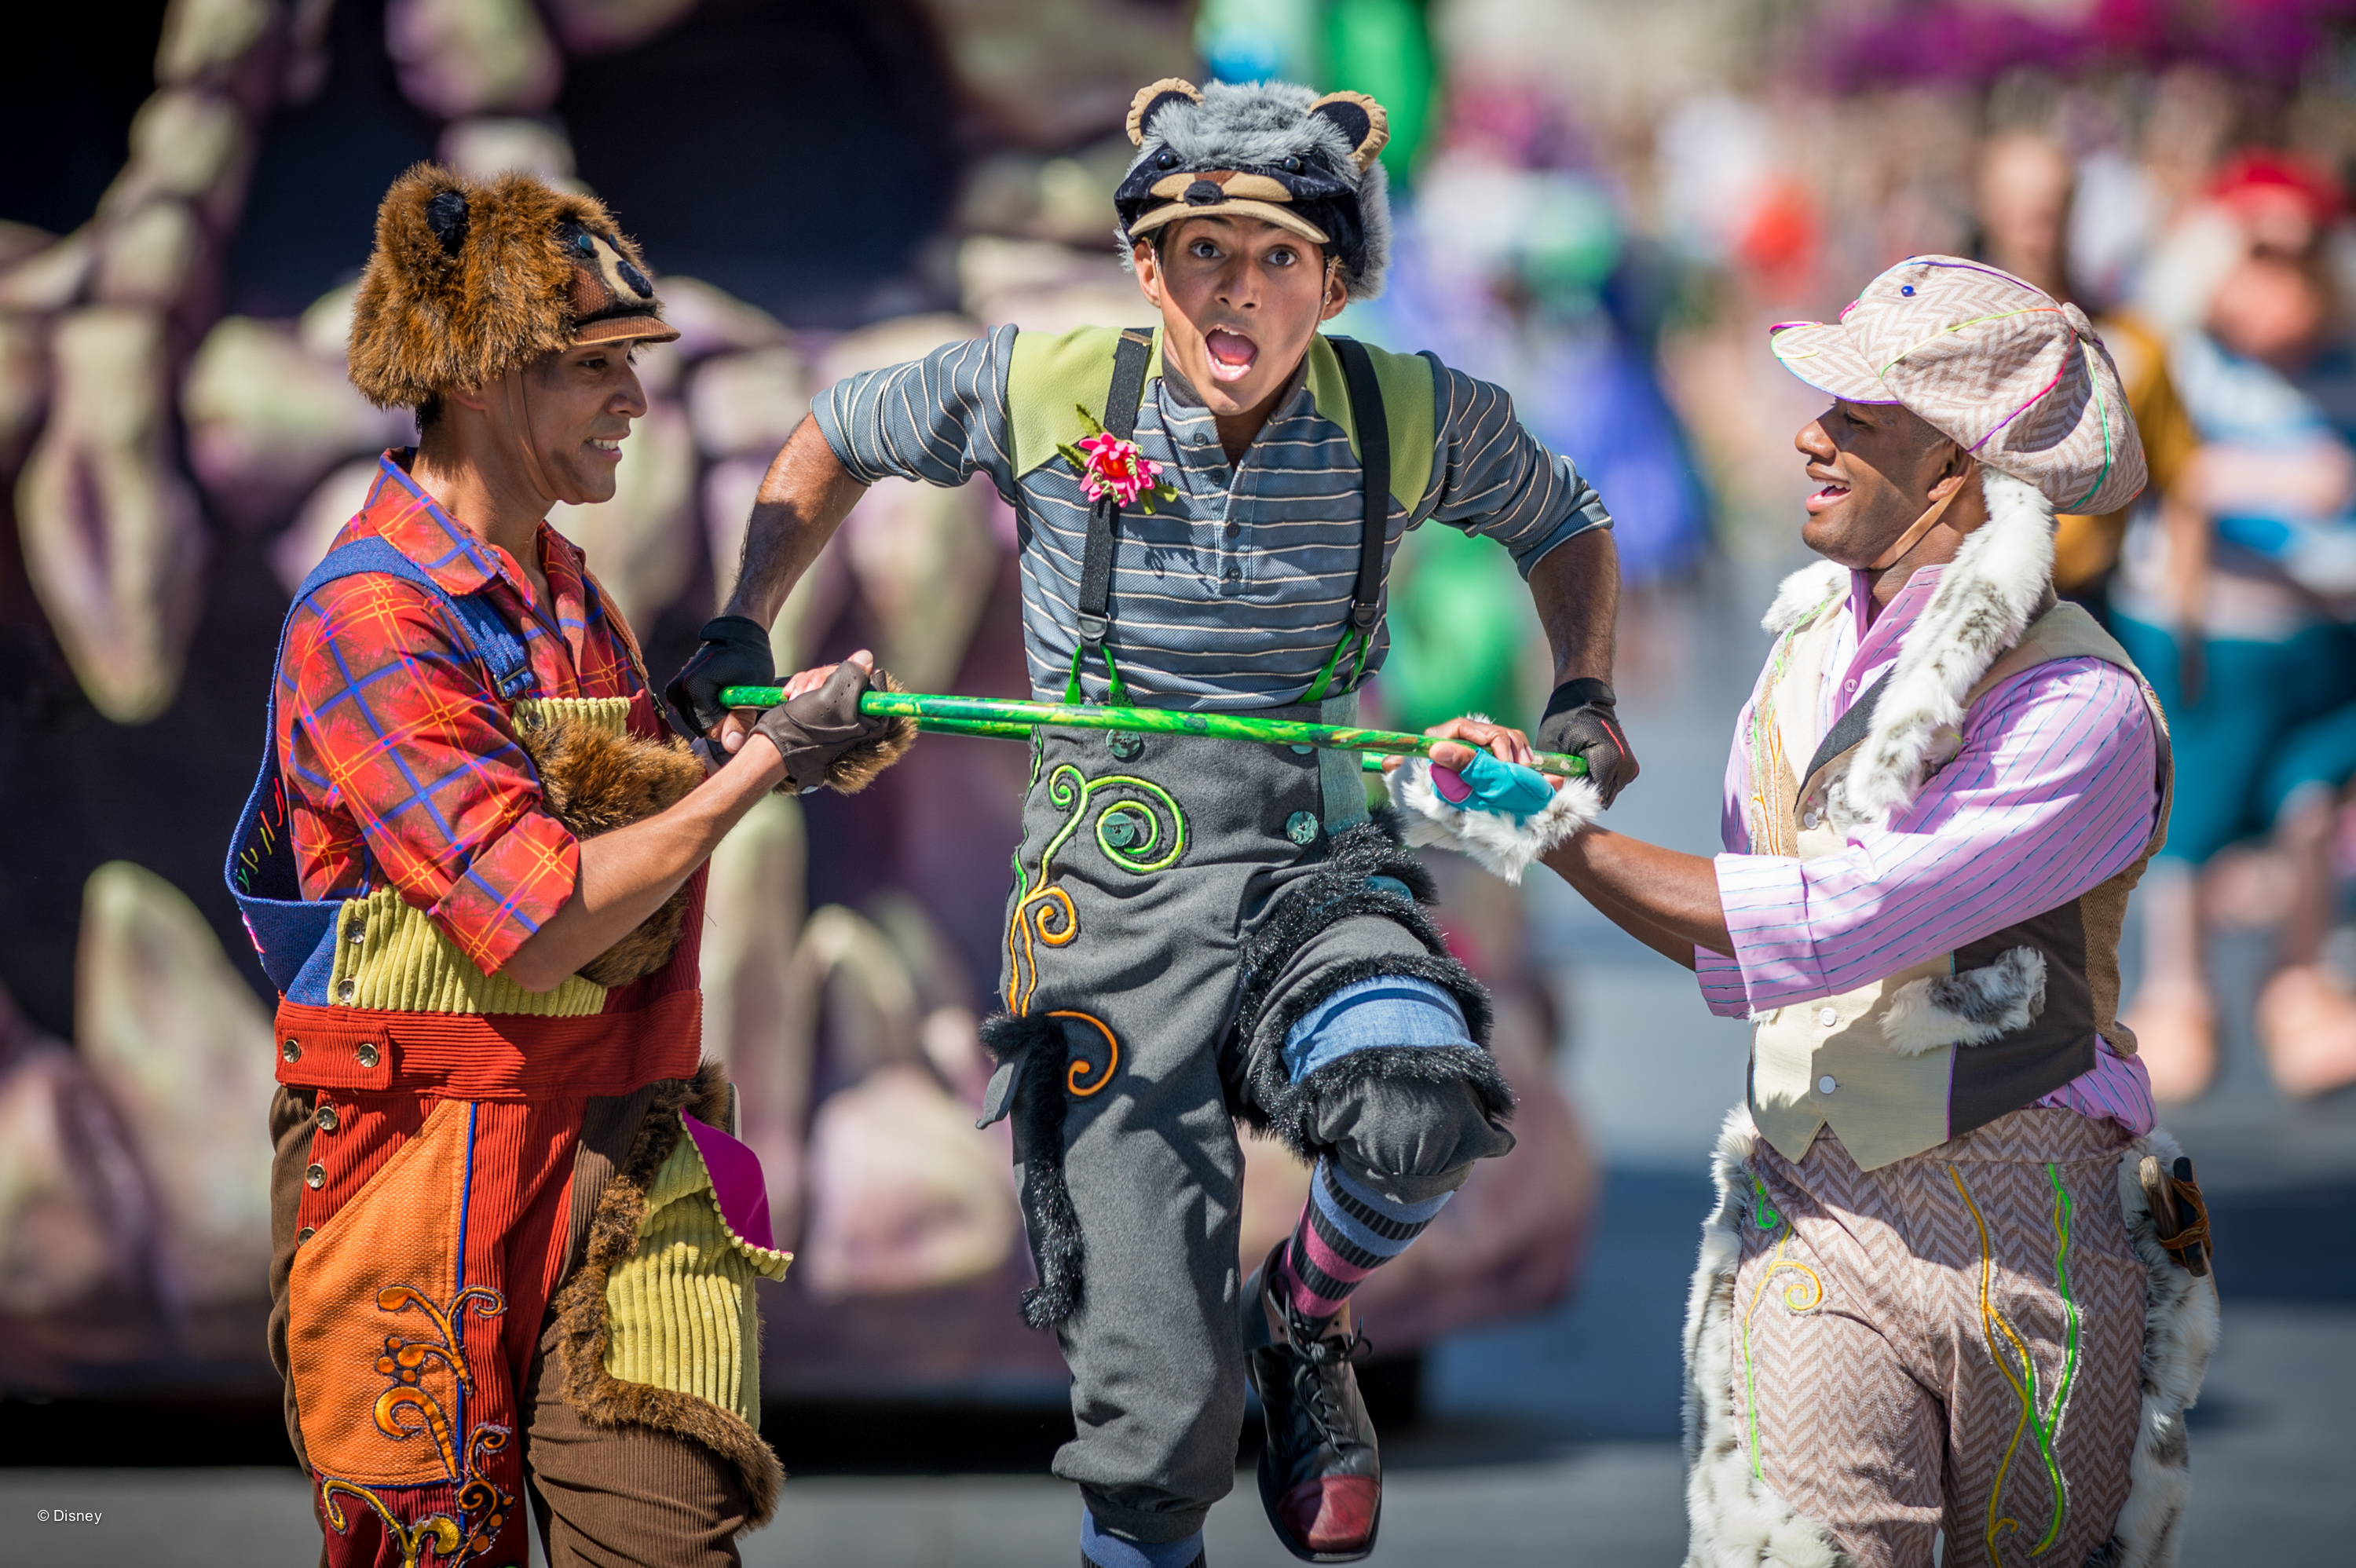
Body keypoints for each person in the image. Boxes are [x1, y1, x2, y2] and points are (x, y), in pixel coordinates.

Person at [665, 78, 1630, 1568]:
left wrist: (1582, 694)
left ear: (1337, 277)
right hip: (1106, 909)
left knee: (1421, 1097)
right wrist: (743, 618)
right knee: (1155, 1431)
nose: (1237, 291)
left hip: (1320, 868)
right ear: (1147, 265)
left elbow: (1565, 516)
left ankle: (1305, 1320)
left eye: (1279, 257)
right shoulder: (1046, 384)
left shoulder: (1405, 409)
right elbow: (834, 433)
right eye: (1204, 255)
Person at [1396, 258, 2219, 1568]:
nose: (1806, 434)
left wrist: (1551, 836)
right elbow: (1750, 948)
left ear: (1956, 470)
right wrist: (1543, 784)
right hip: (1808, 1206)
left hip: (2037, 1240)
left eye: (1859, 416)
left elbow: (1835, 917)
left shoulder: (2086, 709)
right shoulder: (1799, 655)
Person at [222, 166, 904, 1566]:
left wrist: (727, 727)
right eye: (597, 368)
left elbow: (630, 839)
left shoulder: (566, 586)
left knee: (678, 1543)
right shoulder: (370, 621)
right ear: (480, 378)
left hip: (641, 1145)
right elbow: (531, 922)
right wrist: (763, 771)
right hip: (421, 1173)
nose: (637, 406)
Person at [2112, 152, 2356, 1100]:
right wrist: (2280, 482)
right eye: (2259, 256)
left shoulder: (2340, 368)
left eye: (2301, 259)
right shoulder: (2185, 366)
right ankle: (2179, 989)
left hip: (2322, 636)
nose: (2279, 285)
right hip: (2211, 631)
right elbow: (2170, 472)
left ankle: (2298, 980)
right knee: (2191, 823)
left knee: (2307, 812)